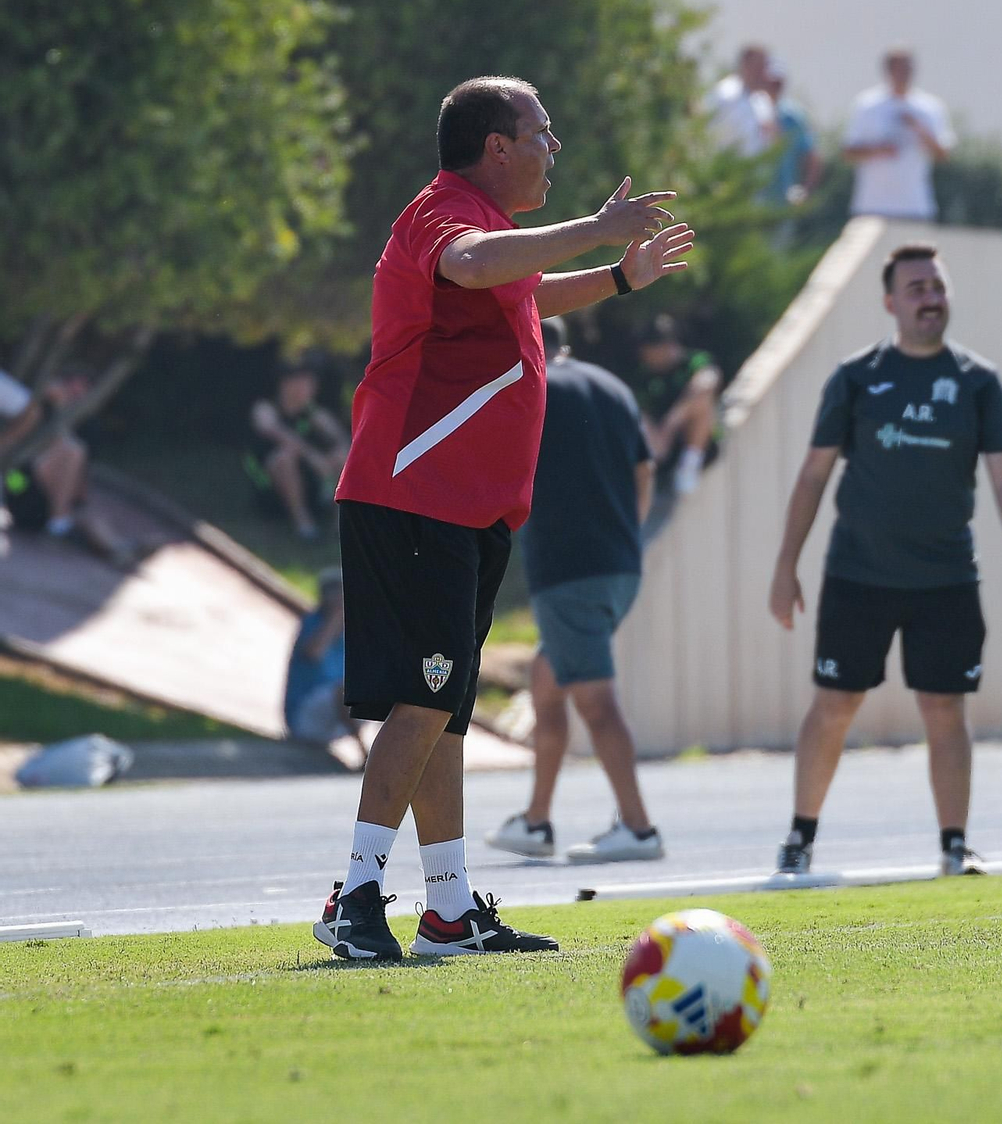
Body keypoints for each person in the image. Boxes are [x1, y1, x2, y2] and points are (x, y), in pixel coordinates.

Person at [312, 75, 692, 962]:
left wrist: (616, 277)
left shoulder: (496, 236)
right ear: (497, 146)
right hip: (412, 497)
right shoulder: (444, 216)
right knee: (422, 700)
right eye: (542, 132)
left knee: (441, 705)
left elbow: (520, 292)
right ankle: (354, 896)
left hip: (459, 508)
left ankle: (447, 909)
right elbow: (477, 266)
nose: (553, 148)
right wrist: (598, 228)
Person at [766, 244, 1002, 879]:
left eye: (936, 286)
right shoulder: (856, 376)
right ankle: (799, 841)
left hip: (946, 578)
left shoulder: (977, 381)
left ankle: (953, 846)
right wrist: (786, 566)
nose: (929, 297)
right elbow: (813, 476)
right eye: (915, 288)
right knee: (835, 703)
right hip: (858, 573)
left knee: (945, 709)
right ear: (891, 302)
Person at [485, 316, 663, 865]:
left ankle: (637, 828)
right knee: (547, 683)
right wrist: (625, 536)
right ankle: (537, 821)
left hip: (569, 569)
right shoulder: (612, 386)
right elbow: (645, 469)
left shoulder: (530, 382)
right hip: (619, 566)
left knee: (595, 700)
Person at [0, 367, 133, 566]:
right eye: (72, 389)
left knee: (89, 516)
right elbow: (14, 461)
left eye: (81, 392)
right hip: (15, 483)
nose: (74, 395)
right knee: (72, 450)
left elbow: (79, 482)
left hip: (39, 496)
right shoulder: (33, 405)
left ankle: (116, 549)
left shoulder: (81, 423)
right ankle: (60, 525)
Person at [842, 48, 956, 221]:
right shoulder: (867, 105)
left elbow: (943, 155)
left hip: (915, 207)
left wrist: (920, 130)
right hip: (872, 206)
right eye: (899, 68)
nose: (904, 74)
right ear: (887, 70)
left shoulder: (930, 107)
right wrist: (879, 150)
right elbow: (848, 152)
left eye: (908, 68)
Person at [636, 315, 722, 541]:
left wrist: (670, 425)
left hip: (695, 443)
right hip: (661, 447)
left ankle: (689, 465)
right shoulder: (647, 377)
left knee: (701, 400)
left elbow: (708, 382)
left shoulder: (693, 363)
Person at [244, 361, 349, 541]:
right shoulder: (265, 409)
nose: (308, 388)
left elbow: (344, 442)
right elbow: (277, 433)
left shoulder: (315, 413)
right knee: (284, 457)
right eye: (303, 382)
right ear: (285, 384)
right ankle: (303, 524)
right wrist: (313, 458)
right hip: (271, 490)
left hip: (312, 485)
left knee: (341, 455)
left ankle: (341, 523)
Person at [283, 568, 364, 762]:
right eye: (332, 590)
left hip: (336, 719)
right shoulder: (313, 622)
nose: (337, 595)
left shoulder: (354, 627)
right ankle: (365, 754)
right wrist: (335, 619)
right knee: (344, 691)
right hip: (305, 716)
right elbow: (313, 653)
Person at [762, 59, 822, 207]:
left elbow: (811, 155)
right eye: (771, 83)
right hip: (753, 197)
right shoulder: (747, 109)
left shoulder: (793, 116)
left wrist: (805, 190)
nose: (774, 87)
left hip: (783, 199)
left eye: (778, 83)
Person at [703, 44, 776, 159]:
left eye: (765, 67)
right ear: (745, 65)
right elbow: (706, 130)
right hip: (726, 168)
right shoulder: (724, 94)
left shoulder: (763, 102)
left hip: (756, 172)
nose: (764, 73)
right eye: (759, 67)